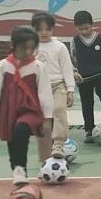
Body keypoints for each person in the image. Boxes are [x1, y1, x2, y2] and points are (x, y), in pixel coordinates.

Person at [0, 26, 55, 185]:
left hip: (30, 109)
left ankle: (20, 168)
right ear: (13, 45)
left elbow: (45, 93)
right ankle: (18, 170)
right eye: (24, 47)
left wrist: (48, 118)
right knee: (12, 138)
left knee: (21, 130)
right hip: (9, 109)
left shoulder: (38, 66)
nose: (28, 51)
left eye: (32, 48)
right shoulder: (3, 66)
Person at [32, 12, 76, 162]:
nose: (44, 32)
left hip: (58, 85)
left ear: (52, 29)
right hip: (39, 88)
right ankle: (45, 151)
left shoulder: (60, 47)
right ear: (33, 29)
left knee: (59, 110)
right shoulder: (31, 47)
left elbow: (67, 69)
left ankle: (58, 144)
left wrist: (70, 90)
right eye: (39, 29)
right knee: (43, 120)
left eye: (47, 29)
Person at [70, 10, 101, 140]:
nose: (84, 31)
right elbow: (74, 56)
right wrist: (78, 70)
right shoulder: (75, 41)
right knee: (86, 102)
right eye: (80, 29)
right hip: (84, 75)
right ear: (76, 28)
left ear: (92, 25)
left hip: (100, 72)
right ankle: (89, 130)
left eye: (86, 28)